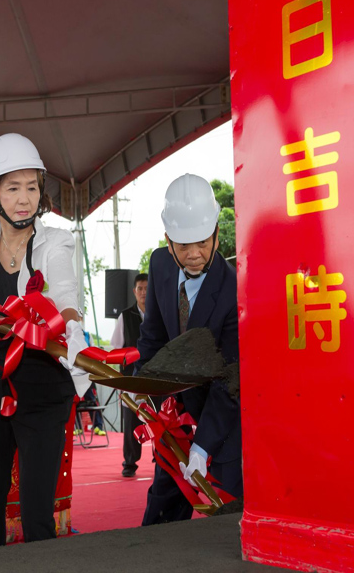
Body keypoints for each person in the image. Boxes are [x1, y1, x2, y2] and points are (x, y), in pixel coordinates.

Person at [0, 132, 91, 548]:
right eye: (13, 188)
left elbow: (66, 294)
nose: (24, 199)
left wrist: (72, 327)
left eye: (32, 187)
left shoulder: (56, 241)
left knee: (37, 513)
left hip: (45, 389)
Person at [134, 173, 241, 526]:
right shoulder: (159, 265)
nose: (194, 255)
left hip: (222, 423)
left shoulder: (233, 287)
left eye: (202, 242)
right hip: (175, 419)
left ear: (217, 234)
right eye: (183, 245)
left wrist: (203, 445)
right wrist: (142, 389)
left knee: (225, 523)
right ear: (168, 241)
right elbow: (152, 338)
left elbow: (231, 378)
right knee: (160, 519)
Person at [110, 274, 148, 477]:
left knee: (159, 419)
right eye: (140, 288)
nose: (144, 292)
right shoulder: (125, 316)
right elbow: (116, 348)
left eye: (147, 288)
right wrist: (121, 380)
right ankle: (130, 463)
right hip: (131, 378)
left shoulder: (160, 313)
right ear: (134, 291)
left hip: (155, 376)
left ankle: (162, 460)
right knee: (131, 421)